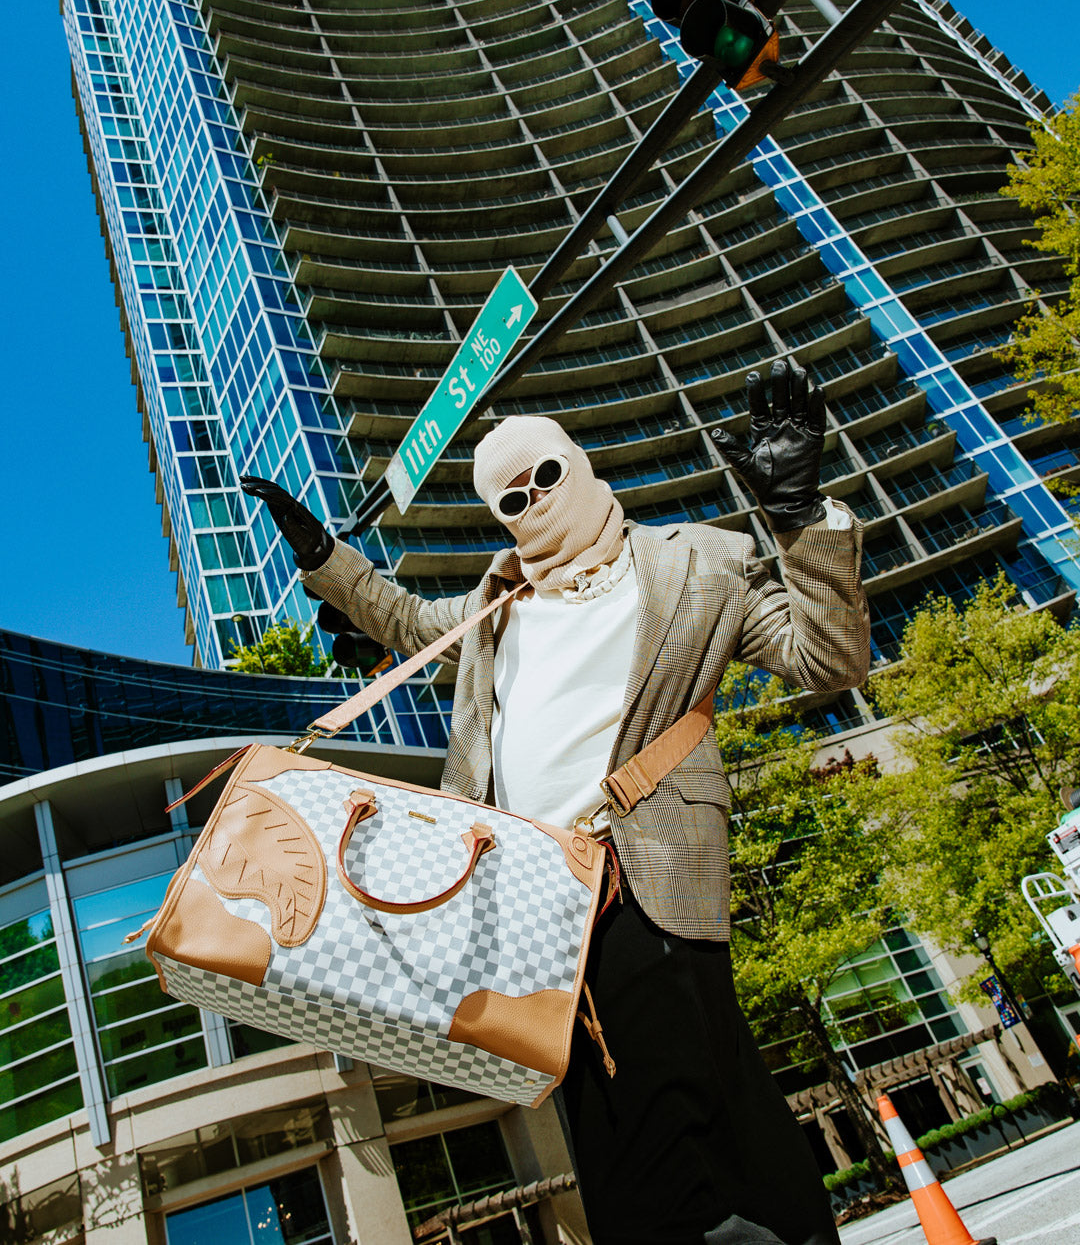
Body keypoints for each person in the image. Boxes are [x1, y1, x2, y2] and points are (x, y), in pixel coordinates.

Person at [242, 358, 869, 1245]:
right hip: (532, 905)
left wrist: (799, 516)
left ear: (577, 463)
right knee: (656, 1112)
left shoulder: (700, 565)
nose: (535, 499)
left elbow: (829, 660)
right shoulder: (496, 608)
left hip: (640, 871)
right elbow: (404, 620)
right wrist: (322, 558)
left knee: (658, 1125)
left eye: (545, 474)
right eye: (513, 497)